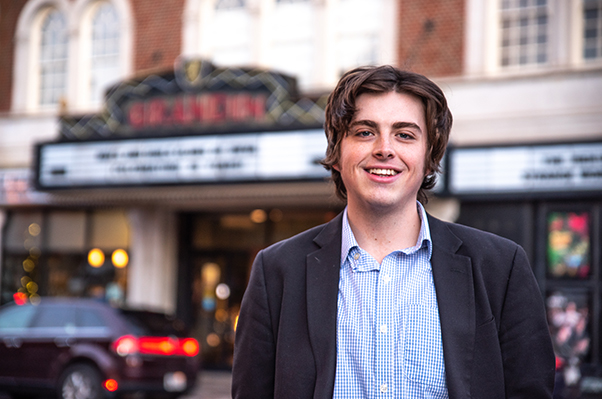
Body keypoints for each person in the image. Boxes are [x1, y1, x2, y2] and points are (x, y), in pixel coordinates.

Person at [232, 65, 555, 399]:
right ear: (337, 154)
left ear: (430, 157)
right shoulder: (276, 272)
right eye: (364, 132)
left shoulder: (500, 267)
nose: (385, 148)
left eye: (405, 134)